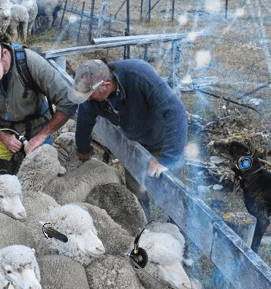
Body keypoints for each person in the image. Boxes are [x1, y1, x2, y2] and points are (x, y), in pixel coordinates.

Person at [69, 58, 187, 209]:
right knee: (135, 193)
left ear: (105, 85)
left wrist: (168, 158)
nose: (87, 99)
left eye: (90, 94)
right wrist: (83, 150)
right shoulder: (92, 97)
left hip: (163, 140)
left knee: (173, 193)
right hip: (133, 145)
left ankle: (178, 226)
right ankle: (142, 225)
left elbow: (175, 110)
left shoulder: (139, 74)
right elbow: (84, 120)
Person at [0, 37, 77, 178]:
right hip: (3, 129)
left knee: (42, 180)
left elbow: (68, 101)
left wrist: (41, 136)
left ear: (5, 54)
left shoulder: (31, 63)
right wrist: (4, 138)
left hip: (36, 130)